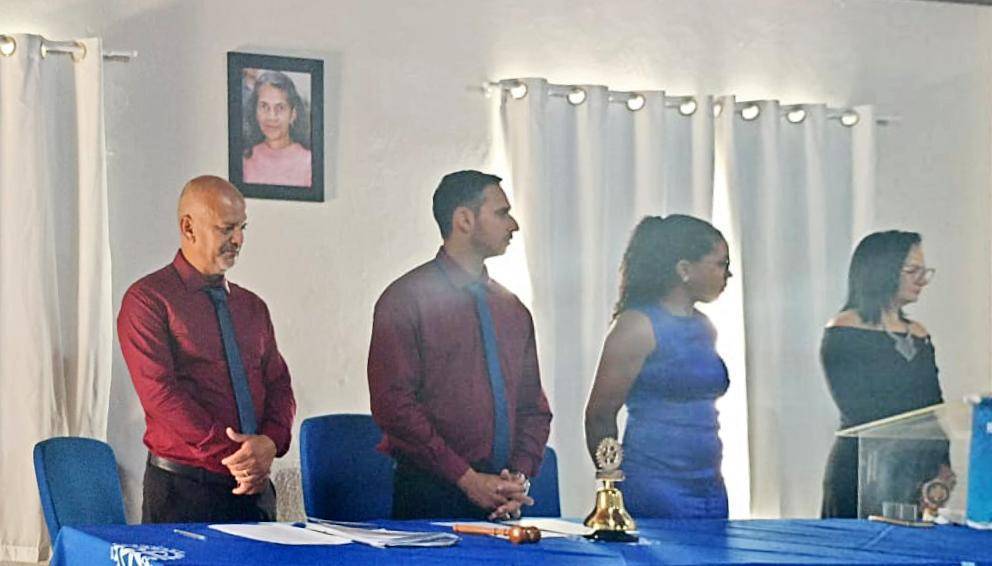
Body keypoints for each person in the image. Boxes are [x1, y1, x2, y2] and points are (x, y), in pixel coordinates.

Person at [368, 170, 553, 521]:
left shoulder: (513, 310)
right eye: (501, 213)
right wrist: (466, 479)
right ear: (464, 220)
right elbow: (394, 406)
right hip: (430, 495)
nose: (513, 225)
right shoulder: (405, 300)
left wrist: (517, 479)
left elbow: (533, 408)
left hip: (503, 501)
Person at [118, 175, 296, 523]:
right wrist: (240, 455)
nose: (239, 239)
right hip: (184, 493)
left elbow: (279, 384)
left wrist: (270, 443)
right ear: (188, 227)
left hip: (255, 491)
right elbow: (161, 396)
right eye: (227, 228)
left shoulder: (252, 307)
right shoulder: (148, 301)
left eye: (242, 227)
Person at [585, 215, 731, 518]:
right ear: (684, 269)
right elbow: (600, 415)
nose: (727, 274)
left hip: (710, 484)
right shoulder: (636, 326)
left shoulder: (704, 326)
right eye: (720, 264)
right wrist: (611, 486)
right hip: (654, 485)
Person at [820, 230, 953, 518]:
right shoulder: (845, 329)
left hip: (914, 471)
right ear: (882, 270)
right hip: (862, 468)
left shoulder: (919, 333)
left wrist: (942, 465)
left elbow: (932, 406)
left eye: (924, 272)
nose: (921, 280)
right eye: (912, 271)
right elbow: (858, 408)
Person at [242, 70, 312, 187]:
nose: (272, 117)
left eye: (280, 107)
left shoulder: (309, 162)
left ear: (293, 114)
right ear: (255, 111)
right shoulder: (245, 160)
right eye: (264, 106)